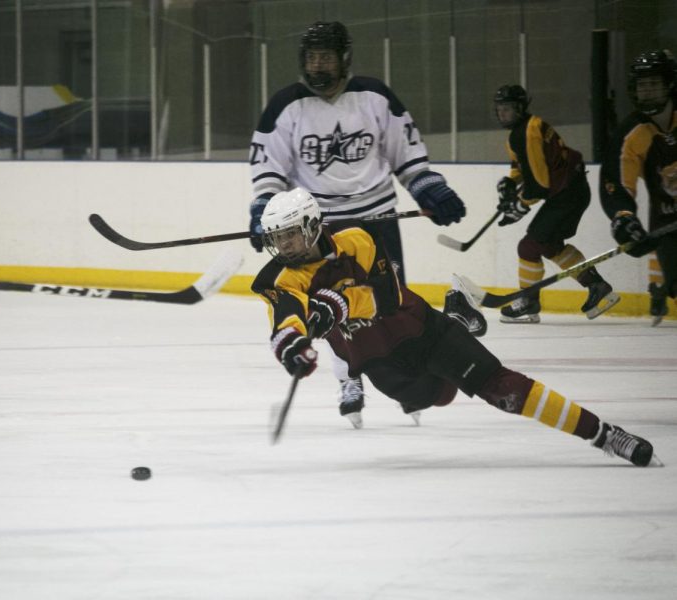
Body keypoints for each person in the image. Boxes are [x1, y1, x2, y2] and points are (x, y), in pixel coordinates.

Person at [252, 187, 657, 467]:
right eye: (277, 238)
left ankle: (604, 434)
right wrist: (294, 350)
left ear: (310, 226)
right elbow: (286, 320)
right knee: (437, 396)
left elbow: (387, 297)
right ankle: (461, 316)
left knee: (498, 387)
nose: (283, 246)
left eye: (289, 235)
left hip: (422, 330)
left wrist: (339, 305)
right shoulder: (277, 278)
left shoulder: (358, 239)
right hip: (381, 366)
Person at [247, 20, 472, 428]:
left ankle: (408, 379)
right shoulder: (286, 106)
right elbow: (268, 167)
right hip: (319, 230)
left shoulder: (373, 97)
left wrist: (427, 188)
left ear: (344, 59)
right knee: (332, 312)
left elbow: (406, 153)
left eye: (326, 57)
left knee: (390, 305)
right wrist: (264, 205)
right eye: (312, 57)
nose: (317, 66)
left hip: (377, 221)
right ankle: (349, 378)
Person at [492, 84, 620, 324]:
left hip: (566, 194)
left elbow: (539, 186)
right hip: (570, 190)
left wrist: (519, 207)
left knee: (528, 247)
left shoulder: (526, 133)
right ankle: (597, 285)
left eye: (508, 108)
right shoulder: (524, 129)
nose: (503, 113)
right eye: (500, 109)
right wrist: (511, 182)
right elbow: (522, 167)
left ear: (520, 108)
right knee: (549, 245)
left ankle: (528, 302)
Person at [600, 49, 677, 327]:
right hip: (668, 220)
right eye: (642, 85)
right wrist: (624, 218)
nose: (647, 91)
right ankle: (660, 291)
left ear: (669, 84)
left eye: (654, 84)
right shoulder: (631, 132)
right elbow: (617, 183)